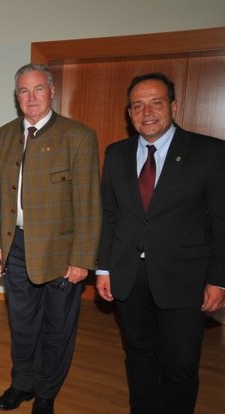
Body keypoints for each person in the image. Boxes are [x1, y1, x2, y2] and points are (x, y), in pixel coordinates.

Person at [96, 72, 225, 413]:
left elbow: (221, 221)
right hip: (128, 276)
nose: (147, 112)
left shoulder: (210, 153)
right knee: (138, 357)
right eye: (137, 105)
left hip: (184, 279)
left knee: (180, 364)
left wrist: (218, 279)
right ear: (129, 113)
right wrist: (104, 268)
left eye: (156, 102)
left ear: (174, 106)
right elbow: (109, 214)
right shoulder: (116, 154)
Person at [0, 63, 101, 414]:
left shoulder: (78, 136)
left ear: (52, 92)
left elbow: (89, 203)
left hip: (61, 252)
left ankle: (46, 392)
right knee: (22, 326)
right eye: (23, 91)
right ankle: (22, 384)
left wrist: (81, 259)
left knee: (57, 329)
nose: (31, 97)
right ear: (16, 96)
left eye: (38, 89)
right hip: (16, 248)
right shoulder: (2, 136)